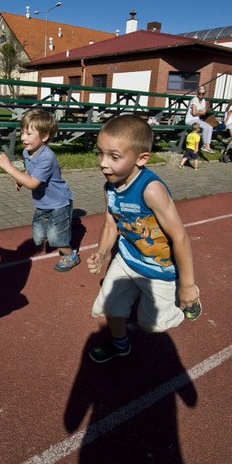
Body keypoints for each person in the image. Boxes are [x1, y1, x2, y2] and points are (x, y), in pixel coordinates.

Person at [86, 114, 202, 363]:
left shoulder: (151, 190)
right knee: (110, 306)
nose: (103, 164)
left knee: (151, 325)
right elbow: (110, 224)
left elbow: (180, 237)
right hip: (127, 260)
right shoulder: (110, 186)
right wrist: (102, 253)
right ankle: (121, 345)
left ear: (141, 158)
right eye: (100, 153)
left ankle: (188, 300)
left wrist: (187, 285)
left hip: (159, 269)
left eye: (114, 157)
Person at [0, 109, 80, 272]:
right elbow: (30, 173)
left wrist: (9, 167)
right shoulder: (28, 152)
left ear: (45, 136)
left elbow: (33, 183)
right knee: (39, 233)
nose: (23, 137)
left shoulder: (47, 157)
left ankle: (71, 255)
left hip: (59, 203)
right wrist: (21, 179)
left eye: (29, 133)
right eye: (22, 132)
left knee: (56, 240)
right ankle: (64, 225)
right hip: (44, 202)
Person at [184, 87, 214, 153]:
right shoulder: (194, 99)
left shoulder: (203, 101)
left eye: (203, 93)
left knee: (210, 127)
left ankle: (208, 146)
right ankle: (204, 145)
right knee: (205, 128)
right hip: (190, 120)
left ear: (204, 93)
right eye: (199, 93)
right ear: (197, 93)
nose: (201, 94)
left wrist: (197, 112)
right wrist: (199, 112)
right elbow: (194, 113)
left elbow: (204, 112)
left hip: (197, 119)